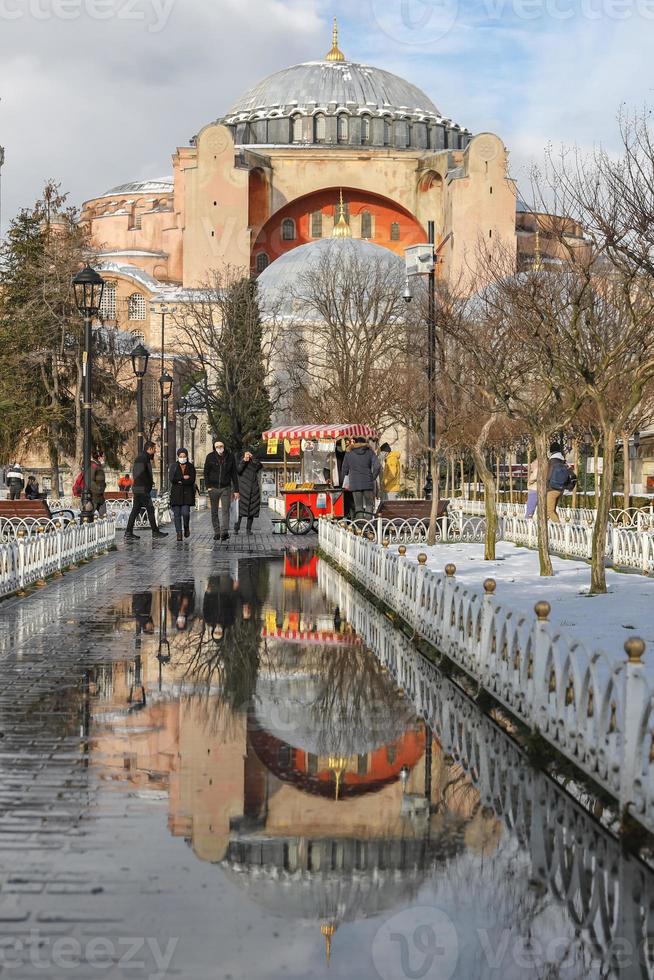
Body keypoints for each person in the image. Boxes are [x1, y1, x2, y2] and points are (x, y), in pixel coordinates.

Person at [124, 441, 168, 541]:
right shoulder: (141, 458)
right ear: (150, 449)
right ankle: (155, 532)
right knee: (150, 510)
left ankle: (128, 532)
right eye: (154, 449)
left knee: (135, 511)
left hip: (140, 489)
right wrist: (147, 484)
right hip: (141, 490)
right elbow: (138, 475)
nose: (155, 451)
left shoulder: (145, 458)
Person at [204, 438, 239, 542]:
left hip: (225, 487)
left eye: (221, 446)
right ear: (214, 447)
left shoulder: (230, 457)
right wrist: (208, 486)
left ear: (224, 446)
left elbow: (234, 474)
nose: (219, 448)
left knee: (225, 510)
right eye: (217, 446)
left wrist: (236, 490)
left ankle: (224, 532)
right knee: (214, 511)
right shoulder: (210, 457)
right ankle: (217, 532)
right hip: (213, 488)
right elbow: (206, 472)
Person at [341, 435, 381, 519]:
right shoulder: (370, 452)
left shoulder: (349, 453)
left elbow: (344, 469)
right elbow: (377, 466)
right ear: (365, 443)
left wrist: (343, 482)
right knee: (369, 505)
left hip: (354, 483)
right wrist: (372, 477)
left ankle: (360, 526)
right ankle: (368, 526)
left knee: (358, 506)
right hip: (368, 482)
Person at [169, 447, 196, 541]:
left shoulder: (191, 466)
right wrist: (183, 478)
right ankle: (179, 533)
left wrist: (180, 481)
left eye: (184, 456)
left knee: (185, 513)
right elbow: (172, 479)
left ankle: (186, 527)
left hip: (187, 494)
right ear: (178, 456)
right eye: (180, 456)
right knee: (176, 514)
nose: (182, 457)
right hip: (176, 494)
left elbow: (191, 480)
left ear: (187, 456)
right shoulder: (174, 466)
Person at [235, 449, 262, 534]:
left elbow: (260, 466)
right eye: (246, 454)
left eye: (249, 454)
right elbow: (238, 470)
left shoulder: (254, 463)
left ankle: (248, 529)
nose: (247, 455)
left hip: (253, 489)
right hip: (242, 489)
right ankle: (236, 529)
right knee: (239, 511)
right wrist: (244, 460)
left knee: (252, 510)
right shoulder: (240, 461)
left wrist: (252, 457)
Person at [547, 443, 575, 523]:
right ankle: (554, 528)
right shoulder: (563, 461)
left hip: (551, 488)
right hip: (560, 489)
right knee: (553, 510)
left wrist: (546, 484)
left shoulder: (552, 461)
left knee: (549, 511)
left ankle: (560, 528)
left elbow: (548, 476)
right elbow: (571, 474)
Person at [90, 449, 107, 517]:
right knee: (89, 518)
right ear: (99, 458)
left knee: (104, 517)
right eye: (103, 456)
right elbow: (90, 481)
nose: (104, 458)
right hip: (94, 496)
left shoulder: (98, 466)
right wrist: (99, 489)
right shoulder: (93, 466)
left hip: (100, 496)